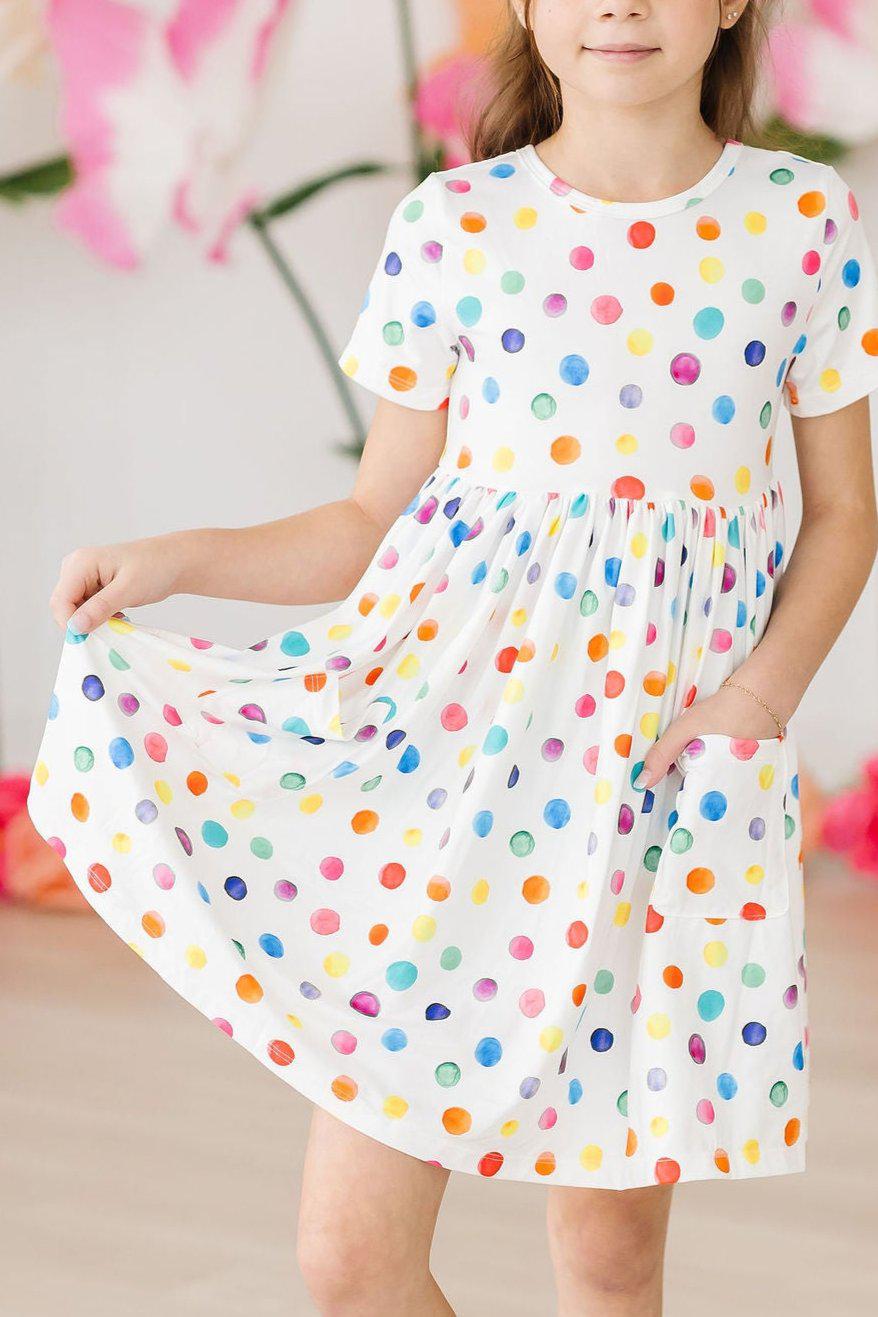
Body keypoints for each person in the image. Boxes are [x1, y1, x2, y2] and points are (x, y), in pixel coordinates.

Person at [27, 1, 878, 1311]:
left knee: (607, 1252)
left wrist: (755, 700)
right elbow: (368, 518)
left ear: (729, 2)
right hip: (446, 775)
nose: (620, 5)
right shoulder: (455, 225)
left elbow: (843, 515)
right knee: (351, 1260)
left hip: (658, 786)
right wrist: (180, 558)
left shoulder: (800, 220)